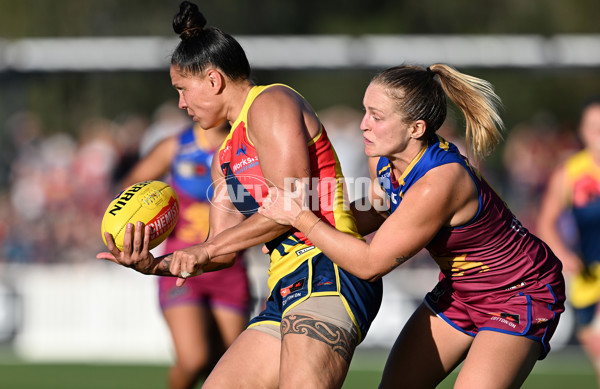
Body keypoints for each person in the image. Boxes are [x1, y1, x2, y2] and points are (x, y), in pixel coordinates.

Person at [96, 1, 383, 388]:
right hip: (285, 288)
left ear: (213, 81)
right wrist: (155, 265)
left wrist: (204, 250)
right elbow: (222, 250)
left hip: (330, 269)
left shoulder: (272, 102)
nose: (181, 104)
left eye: (183, 90)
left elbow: (290, 204)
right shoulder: (224, 158)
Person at [257, 64, 566, 388]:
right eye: (365, 112)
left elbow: (369, 264)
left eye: (376, 117)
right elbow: (374, 210)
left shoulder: (439, 184)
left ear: (416, 128)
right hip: (460, 292)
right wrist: (298, 233)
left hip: (518, 293)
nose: (363, 125)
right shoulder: (386, 162)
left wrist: (300, 217)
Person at [120, 120, 251, 389]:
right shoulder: (175, 147)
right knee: (194, 359)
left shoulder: (248, 147)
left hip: (229, 269)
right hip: (179, 267)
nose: (184, 103)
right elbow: (130, 190)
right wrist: (153, 213)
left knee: (226, 370)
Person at [537, 96, 600, 385]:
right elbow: (547, 222)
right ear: (583, 131)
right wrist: (564, 255)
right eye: (593, 127)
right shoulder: (571, 172)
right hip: (588, 276)